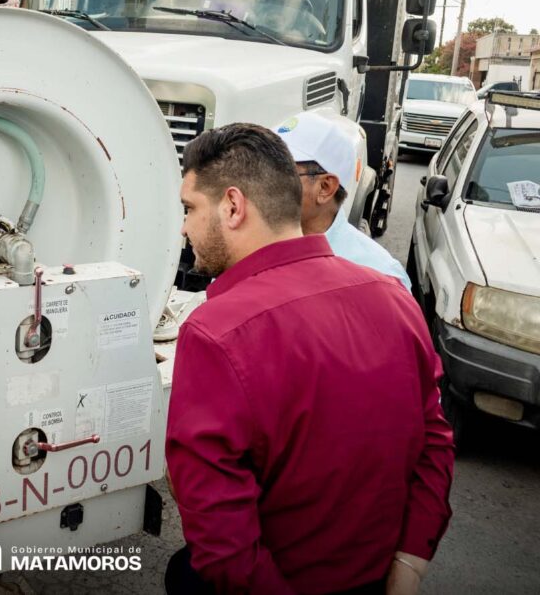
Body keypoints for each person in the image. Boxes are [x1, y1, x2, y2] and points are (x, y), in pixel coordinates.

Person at [165, 123, 454, 595]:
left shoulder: (215, 333)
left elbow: (222, 540)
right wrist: (411, 559)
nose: (183, 227)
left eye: (189, 208)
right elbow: (435, 439)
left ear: (233, 206)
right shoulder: (393, 296)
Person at [276, 112, 412, 290]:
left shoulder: (381, 277)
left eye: (280, 172)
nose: (264, 180)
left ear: (325, 187)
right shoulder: (250, 244)